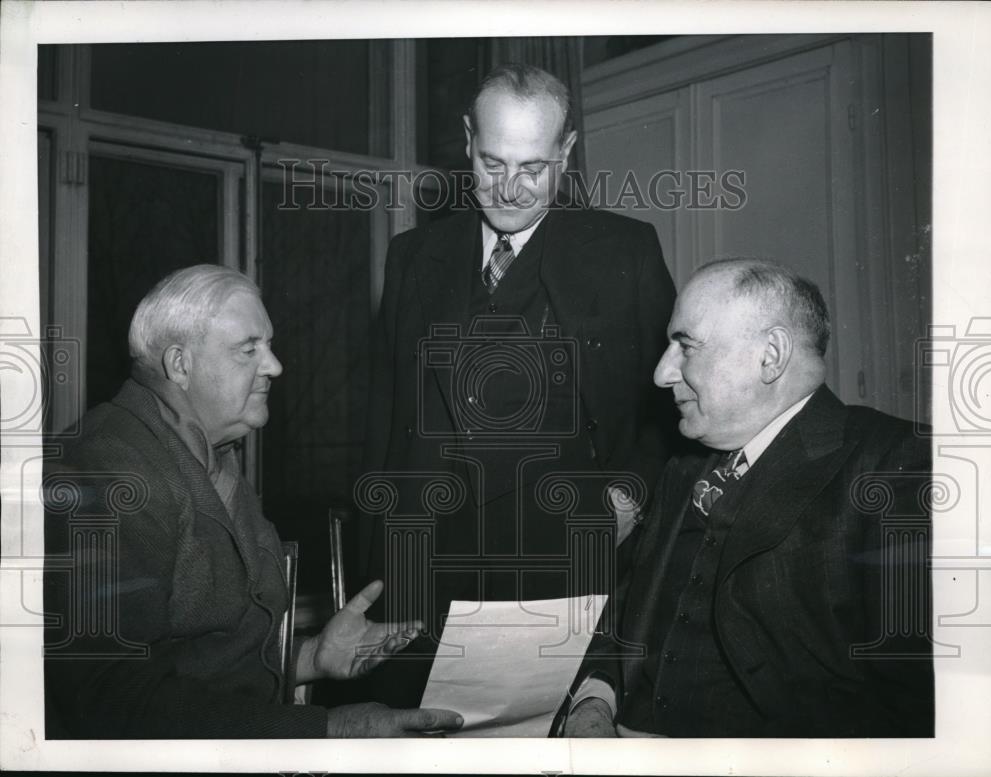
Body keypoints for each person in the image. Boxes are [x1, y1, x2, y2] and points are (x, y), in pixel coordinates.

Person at [358, 64, 677, 706]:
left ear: (566, 152)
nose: (509, 189)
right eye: (492, 161)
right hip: (429, 570)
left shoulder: (626, 249)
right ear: (467, 139)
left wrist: (628, 496)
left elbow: (670, 403)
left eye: (533, 167)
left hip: (566, 560)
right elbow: (384, 423)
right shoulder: (412, 257)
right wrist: (378, 572)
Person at [43, 265, 462, 738]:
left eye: (269, 345)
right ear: (179, 364)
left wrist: (312, 656)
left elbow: (202, 662)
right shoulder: (110, 471)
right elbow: (111, 702)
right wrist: (328, 732)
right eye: (249, 349)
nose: (275, 366)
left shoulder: (208, 454)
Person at [564, 258, 934, 737]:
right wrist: (595, 699)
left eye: (686, 346)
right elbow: (622, 612)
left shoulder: (898, 466)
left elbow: (917, 712)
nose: (661, 373)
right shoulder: (681, 469)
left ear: (770, 354)